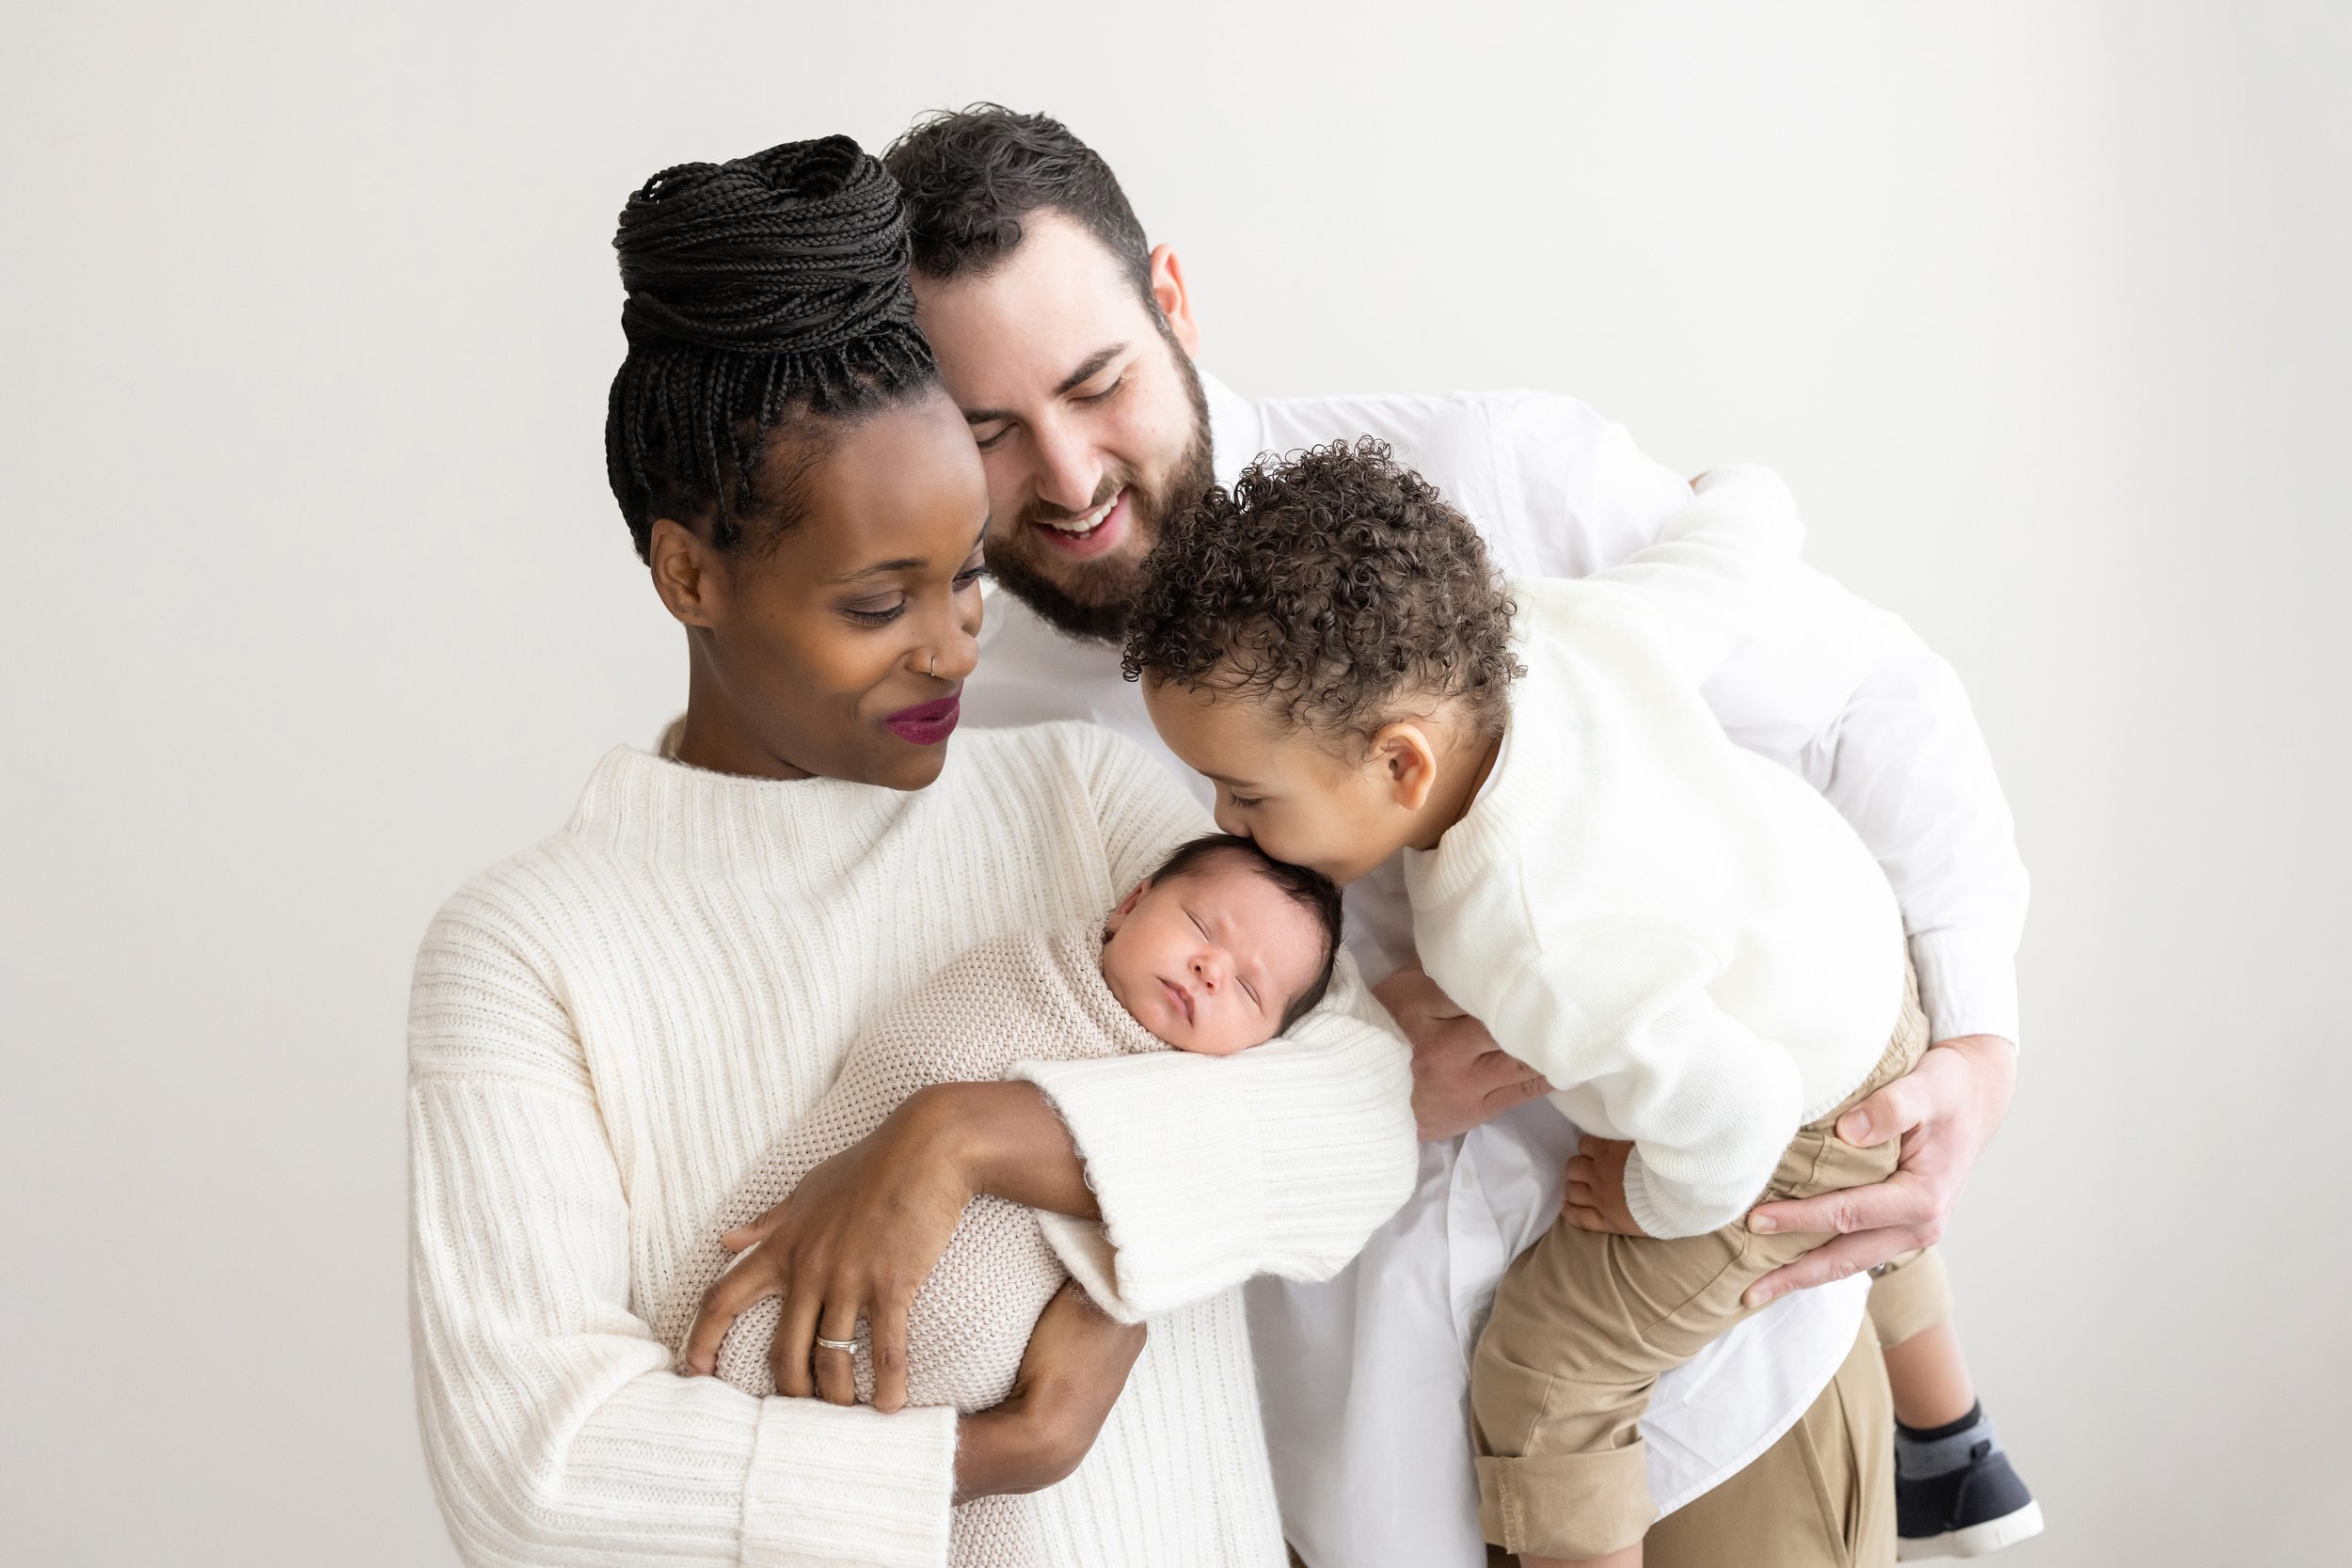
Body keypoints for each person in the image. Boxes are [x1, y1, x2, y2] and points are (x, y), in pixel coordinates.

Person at [883, 105, 2034, 1566]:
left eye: (1098, 384)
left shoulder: (1488, 475)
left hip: (1714, 1406)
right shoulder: (961, 722)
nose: (1066, 475)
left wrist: (1978, 1047)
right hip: (1343, 1479)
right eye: (989, 432)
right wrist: (1352, 1090)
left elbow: (1872, 695)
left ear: (1169, 298)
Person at [406, 135, 1415, 1568]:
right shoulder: (527, 950)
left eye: (961, 576)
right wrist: (988, 1455)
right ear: (689, 571)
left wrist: (967, 1133)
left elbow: (1364, 1111)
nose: (953, 644)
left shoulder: (1077, 796)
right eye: (880, 602)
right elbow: (536, 1471)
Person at [1123, 442, 2043, 1566]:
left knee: (1546, 1365)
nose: (1223, 822)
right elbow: (1730, 559)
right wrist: (1734, 488)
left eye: (1250, 794)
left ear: (1400, 765)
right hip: (1855, 961)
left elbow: (1740, 1106)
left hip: (1793, 1112)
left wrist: (1655, 1193)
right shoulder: (1549, 635)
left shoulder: (1523, 935)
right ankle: (1950, 1445)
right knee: (1805, 1119)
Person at [655, 832, 1346, 1565]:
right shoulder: (1014, 978)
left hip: (965, 1434)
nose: (1211, 970)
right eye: (1203, 928)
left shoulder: (1204, 1108)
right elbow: (908, 1072)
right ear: (1130, 903)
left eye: (1247, 990)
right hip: (786, 1399)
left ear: (1264, 1047)